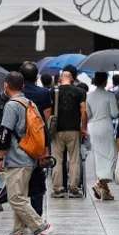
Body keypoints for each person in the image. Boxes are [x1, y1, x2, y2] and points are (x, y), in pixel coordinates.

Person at [0, 72, 54, 235]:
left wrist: (0, 156)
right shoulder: (30, 103)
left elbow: (6, 133)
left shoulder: (11, 105)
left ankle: (42, 227)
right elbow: (43, 129)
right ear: (22, 87)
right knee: (19, 196)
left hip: (16, 158)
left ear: (6, 85)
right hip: (30, 157)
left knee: (15, 198)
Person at [18, 61, 51, 215]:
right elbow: (46, 119)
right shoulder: (44, 93)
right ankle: (37, 213)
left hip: (20, 139)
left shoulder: (16, 94)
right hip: (38, 138)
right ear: (36, 76)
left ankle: (24, 214)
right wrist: (46, 145)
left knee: (20, 179)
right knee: (37, 177)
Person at [50, 70, 87, 198]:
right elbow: (83, 111)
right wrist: (84, 128)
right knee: (74, 160)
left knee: (57, 160)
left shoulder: (53, 91)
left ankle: (58, 189)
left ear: (60, 79)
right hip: (74, 129)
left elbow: (49, 110)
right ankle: (74, 189)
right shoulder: (79, 92)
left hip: (57, 130)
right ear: (71, 79)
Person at [86, 71, 119, 200]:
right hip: (106, 125)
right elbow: (115, 113)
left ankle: (105, 189)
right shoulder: (109, 95)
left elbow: (87, 114)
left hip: (93, 126)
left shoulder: (89, 96)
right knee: (110, 155)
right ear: (105, 81)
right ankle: (99, 183)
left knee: (99, 156)